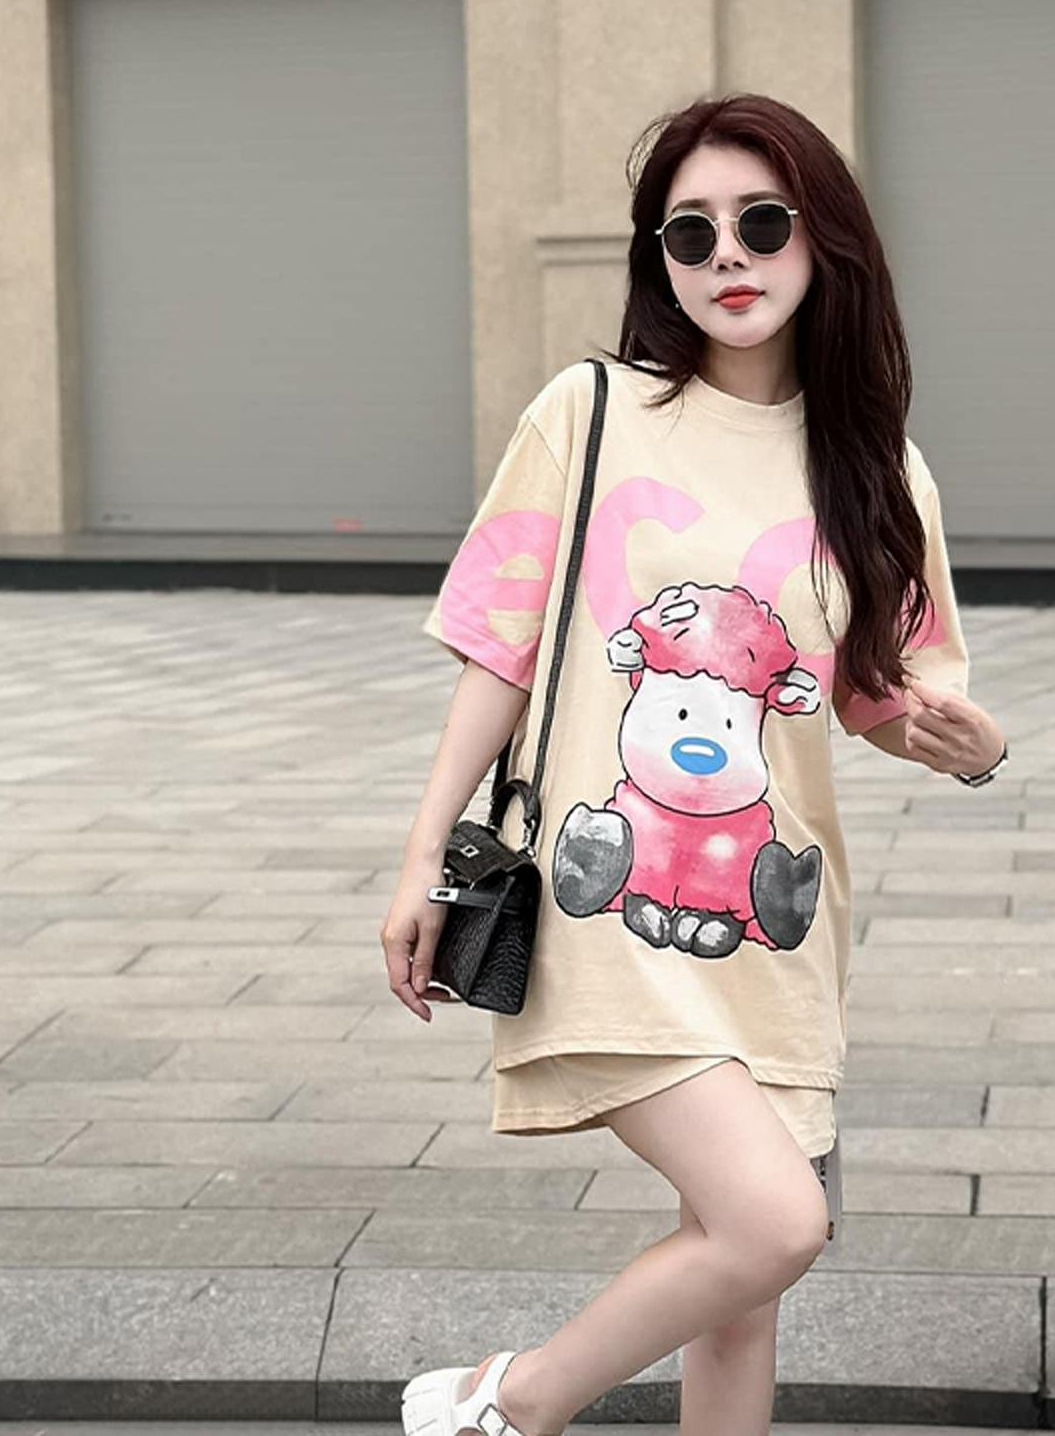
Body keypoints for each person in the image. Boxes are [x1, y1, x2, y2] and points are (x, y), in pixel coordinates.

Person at [380, 92, 1010, 1436]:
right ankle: (508, 1404)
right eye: (691, 231)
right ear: (657, 259)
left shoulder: (879, 472)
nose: (728, 253)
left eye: (762, 223)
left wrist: (972, 748)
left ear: (822, 241)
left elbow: (885, 698)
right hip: (606, 902)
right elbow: (499, 650)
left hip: (774, 927)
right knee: (778, 1223)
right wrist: (426, 855)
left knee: (741, 1287)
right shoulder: (590, 412)